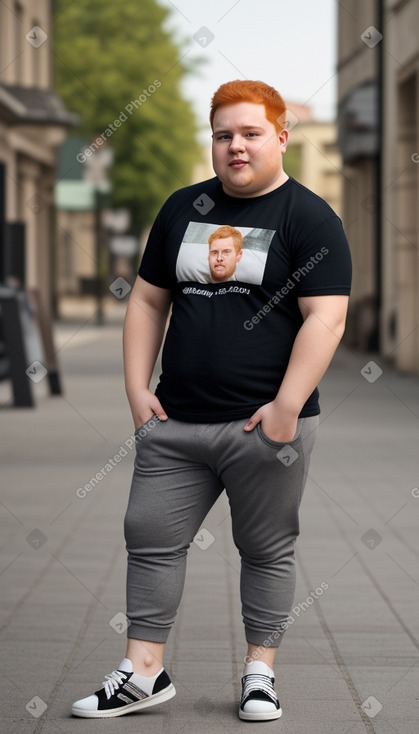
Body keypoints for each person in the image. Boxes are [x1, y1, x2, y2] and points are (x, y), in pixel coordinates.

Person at [71, 79, 352, 722]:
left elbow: (325, 320)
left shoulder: (308, 217)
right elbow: (146, 300)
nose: (236, 146)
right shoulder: (182, 208)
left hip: (266, 427)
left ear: (280, 137)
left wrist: (284, 409)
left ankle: (259, 673)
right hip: (175, 421)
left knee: (266, 547)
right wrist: (136, 390)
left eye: (251, 133)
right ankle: (144, 673)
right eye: (224, 134)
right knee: (148, 536)